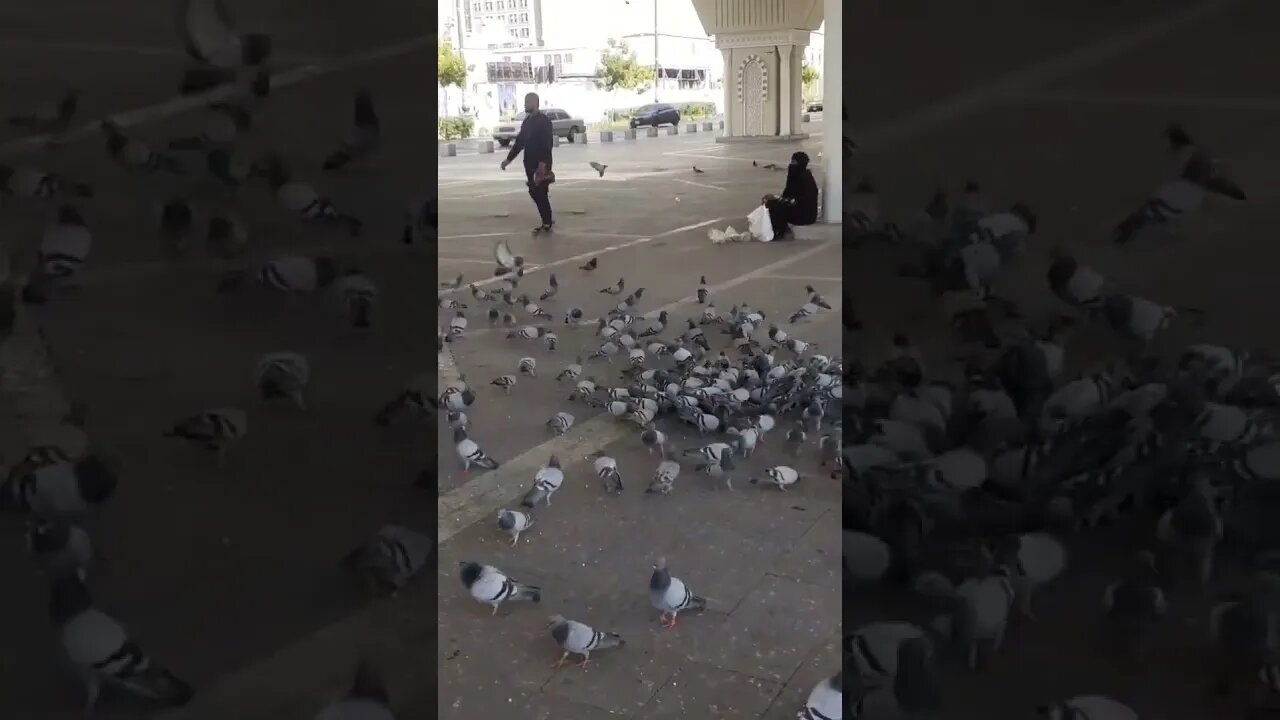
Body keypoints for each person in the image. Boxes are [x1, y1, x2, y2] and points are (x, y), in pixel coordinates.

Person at [500, 92, 555, 234]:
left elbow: (547, 144)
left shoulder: (544, 121)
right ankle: (547, 218)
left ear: (535, 103)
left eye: (527, 102)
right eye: (524, 102)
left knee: (539, 192)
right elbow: (519, 143)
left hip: (541, 163)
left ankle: (547, 222)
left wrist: (543, 165)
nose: (525, 104)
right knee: (535, 191)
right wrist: (508, 160)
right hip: (529, 164)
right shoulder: (527, 122)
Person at [761, 151, 819, 240]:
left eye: (794, 162)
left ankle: (779, 232)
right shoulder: (804, 175)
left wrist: (776, 199)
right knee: (773, 203)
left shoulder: (802, 179)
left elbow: (796, 200)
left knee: (775, 206)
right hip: (804, 212)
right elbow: (789, 196)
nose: (791, 165)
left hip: (805, 216)